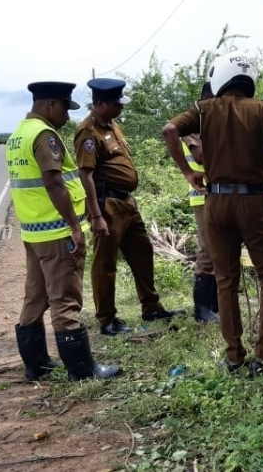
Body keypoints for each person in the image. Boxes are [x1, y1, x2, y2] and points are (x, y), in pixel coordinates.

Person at [162, 51, 263, 376]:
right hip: (255, 202)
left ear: (219, 78)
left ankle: (234, 356)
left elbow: (170, 130)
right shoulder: (262, 109)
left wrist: (188, 173)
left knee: (226, 280)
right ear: (249, 80)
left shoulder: (203, 109)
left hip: (217, 202)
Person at [7, 81, 121, 381]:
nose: (67, 117)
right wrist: (74, 226)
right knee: (65, 300)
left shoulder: (18, 135)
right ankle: (82, 370)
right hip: (57, 233)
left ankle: (36, 363)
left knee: (35, 297)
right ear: (50, 105)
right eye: (64, 109)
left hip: (34, 234)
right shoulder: (45, 136)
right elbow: (55, 184)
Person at [73, 78, 184, 336]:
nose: (120, 108)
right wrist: (97, 216)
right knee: (106, 265)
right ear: (100, 104)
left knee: (142, 253)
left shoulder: (112, 125)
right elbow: (86, 175)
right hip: (107, 205)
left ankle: (151, 306)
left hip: (126, 203)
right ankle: (107, 320)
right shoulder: (88, 132)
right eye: (115, 104)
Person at [180, 81, 219, 323]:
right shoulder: (193, 123)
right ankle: (202, 311)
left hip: (219, 194)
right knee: (208, 250)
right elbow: (201, 156)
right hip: (203, 194)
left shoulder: (213, 123)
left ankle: (214, 305)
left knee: (219, 251)